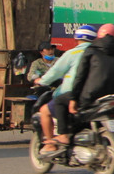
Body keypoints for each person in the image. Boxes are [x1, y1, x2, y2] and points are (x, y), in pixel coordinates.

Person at [37, 25, 98, 157]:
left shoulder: (72, 53)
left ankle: (51, 143)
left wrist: (41, 81)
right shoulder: (101, 53)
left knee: (45, 110)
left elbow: (55, 72)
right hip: (97, 95)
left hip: (75, 95)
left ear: (76, 39)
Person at [69, 23, 114, 115]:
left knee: (60, 101)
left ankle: (64, 130)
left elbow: (80, 75)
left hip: (92, 95)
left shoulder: (91, 50)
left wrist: (73, 98)